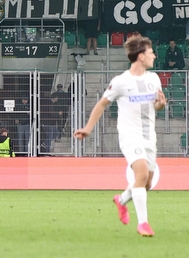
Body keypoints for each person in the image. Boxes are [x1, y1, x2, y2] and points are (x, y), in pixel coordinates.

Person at [74, 35, 166, 237]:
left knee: (147, 183)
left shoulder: (154, 79)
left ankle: (121, 200)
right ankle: (143, 224)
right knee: (140, 176)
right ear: (141, 56)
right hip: (129, 135)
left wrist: (161, 104)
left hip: (149, 136)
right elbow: (101, 104)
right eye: (151, 52)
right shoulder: (121, 82)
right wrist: (88, 128)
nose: (154, 56)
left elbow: (157, 105)